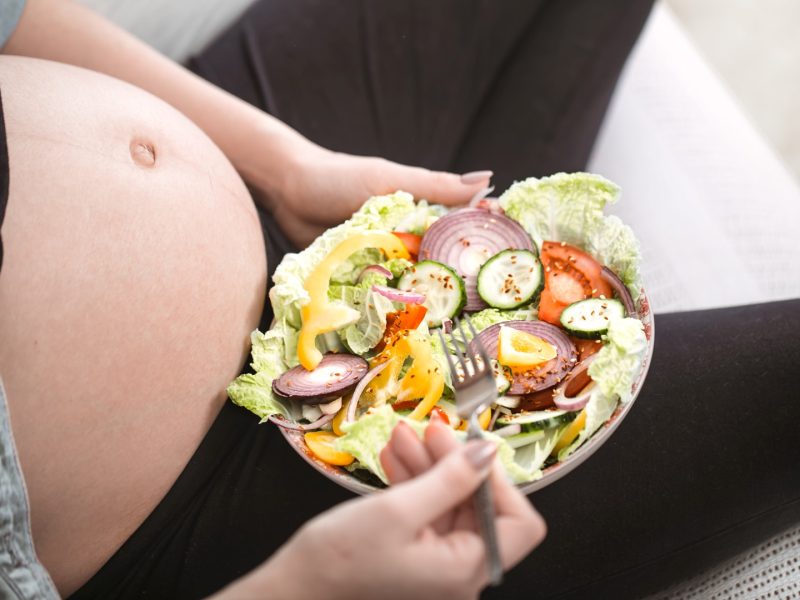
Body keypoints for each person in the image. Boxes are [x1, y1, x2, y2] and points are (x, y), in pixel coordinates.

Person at [2, 1, 799, 599]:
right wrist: (307, 586)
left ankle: (492, 288)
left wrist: (288, 167)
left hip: (251, 156)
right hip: (211, 498)